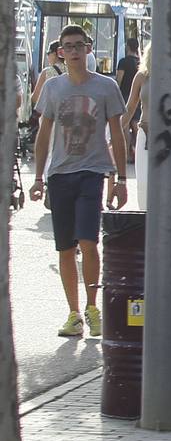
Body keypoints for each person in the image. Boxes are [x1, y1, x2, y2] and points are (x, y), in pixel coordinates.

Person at [28, 25, 128, 338]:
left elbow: (117, 133)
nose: (73, 51)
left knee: (89, 239)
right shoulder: (53, 87)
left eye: (78, 46)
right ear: (61, 52)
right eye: (67, 47)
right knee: (65, 248)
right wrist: (37, 177)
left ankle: (92, 306)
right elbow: (44, 134)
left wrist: (120, 178)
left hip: (92, 171)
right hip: (60, 173)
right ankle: (73, 314)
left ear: (88, 49)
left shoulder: (106, 86)